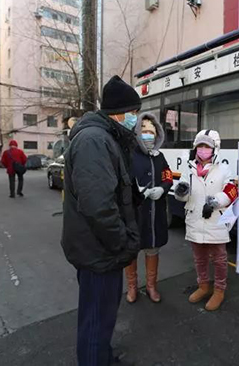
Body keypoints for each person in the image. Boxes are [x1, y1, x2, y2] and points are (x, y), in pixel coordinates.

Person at [61, 75, 141, 366]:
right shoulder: (95, 140)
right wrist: (121, 242)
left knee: (103, 314)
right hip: (99, 249)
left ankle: (103, 357)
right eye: (133, 113)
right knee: (95, 319)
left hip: (100, 248)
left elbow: (110, 191)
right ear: (118, 113)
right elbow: (98, 206)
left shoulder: (104, 137)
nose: (135, 119)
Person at [174, 130, 238, 311]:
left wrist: (215, 202)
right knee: (199, 258)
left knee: (219, 258)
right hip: (194, 219)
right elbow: (182, 192)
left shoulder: (223, 168)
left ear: (214, 149)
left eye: (207, 146)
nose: (203, 150)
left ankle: (219, 290)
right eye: (200, 146)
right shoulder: (189, 168)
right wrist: (181, 192)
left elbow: (232, 190)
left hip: (215, 220)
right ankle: (203, 286)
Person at [125, 112, 173, 303]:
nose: (148, 135)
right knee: (131, 251)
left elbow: (168, 176)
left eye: (151, 132)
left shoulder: (159, 157)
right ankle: (132, 287)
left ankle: (151, 286)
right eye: (144, 131)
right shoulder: (129, 154)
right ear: (137, 132)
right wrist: (136, 193)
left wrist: (162, 189)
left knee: (152, 249)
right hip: (134, 213)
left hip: (155, 213)